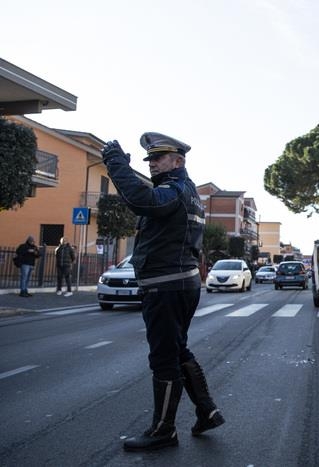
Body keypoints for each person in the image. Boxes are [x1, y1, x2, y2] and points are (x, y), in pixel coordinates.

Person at [101, 132, 224, 452]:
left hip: (167, 286)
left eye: (158, 158)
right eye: (150, 160)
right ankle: (207, 411)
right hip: (179, 283)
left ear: (178, 160)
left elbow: (141, 200)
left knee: (164, 358)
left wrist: (116, 165)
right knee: (178, 350)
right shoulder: (187, 190)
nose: (152, 164)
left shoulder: (174, 190)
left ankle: (163, 430)